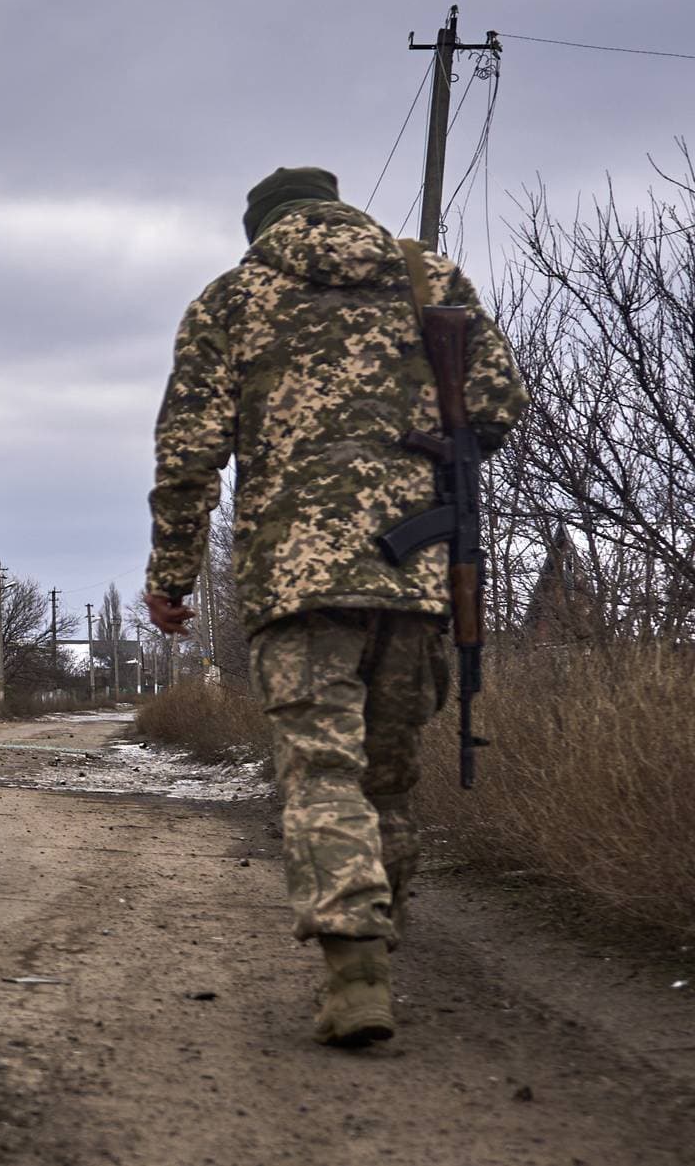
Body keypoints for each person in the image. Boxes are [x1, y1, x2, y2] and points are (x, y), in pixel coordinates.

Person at [143, 167, 526, 1046]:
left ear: (260, 229)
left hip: (297, 584)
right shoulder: (429, 278)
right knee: (387, 778)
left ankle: (356, 971)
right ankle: (381, 942)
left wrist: (173, 576)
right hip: (418, 575)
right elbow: (500, 405)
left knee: (322, 771)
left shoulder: (232, 298)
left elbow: (188, 455)